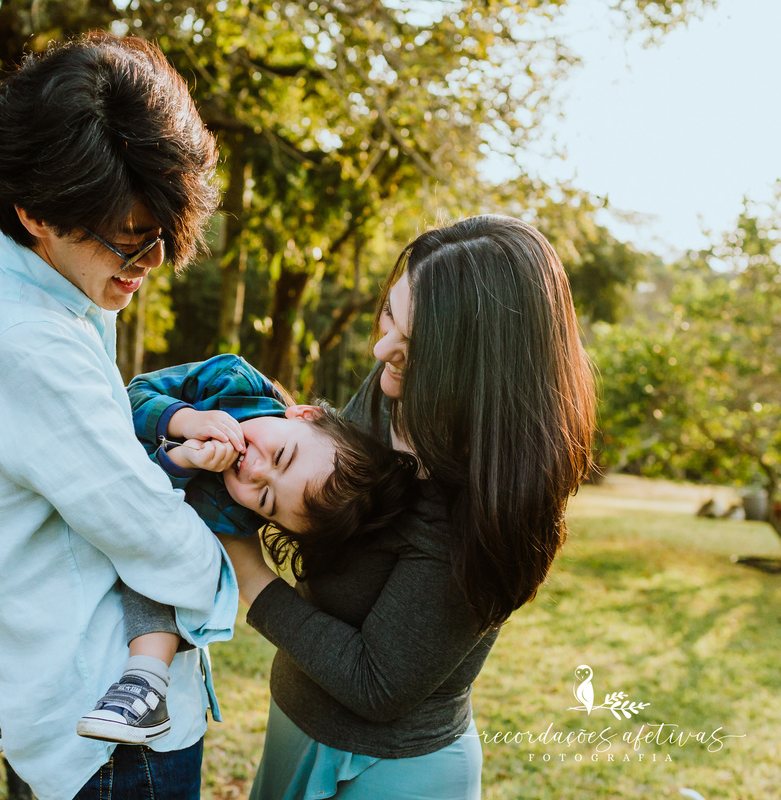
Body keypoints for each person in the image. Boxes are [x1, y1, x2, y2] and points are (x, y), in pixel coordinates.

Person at [0, 33, 234, 800]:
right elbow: (149, 532)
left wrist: (164, 427)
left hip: (68, 717)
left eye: (159, 237)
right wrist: (252, 574)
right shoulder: (26, 341)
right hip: (104, 741)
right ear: (34, 211)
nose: (148, 265)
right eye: (125, 241)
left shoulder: (55, 287)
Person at [219, 215, 598, 800]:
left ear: (477, 368)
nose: (381, 348)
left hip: (392, 771)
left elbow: (379, 684)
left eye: (413, 345)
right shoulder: (396, 381)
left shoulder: (489, 506)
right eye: (391, 313)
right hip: (295, 720)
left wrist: (249, 570)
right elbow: (318, 498)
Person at [0, 353, 417, 749]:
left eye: (265, 499)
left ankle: (146, 682)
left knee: (183, 569)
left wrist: (182, 467)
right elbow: (127, 399)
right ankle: (26, 704)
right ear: (304, 415)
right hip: (93, 503)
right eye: (281, 454)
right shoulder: (231, 383)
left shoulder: (237, 520)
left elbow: (153, 521)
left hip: (146, 545)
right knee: (58, 588)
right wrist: (185, 421)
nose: (255, 471)